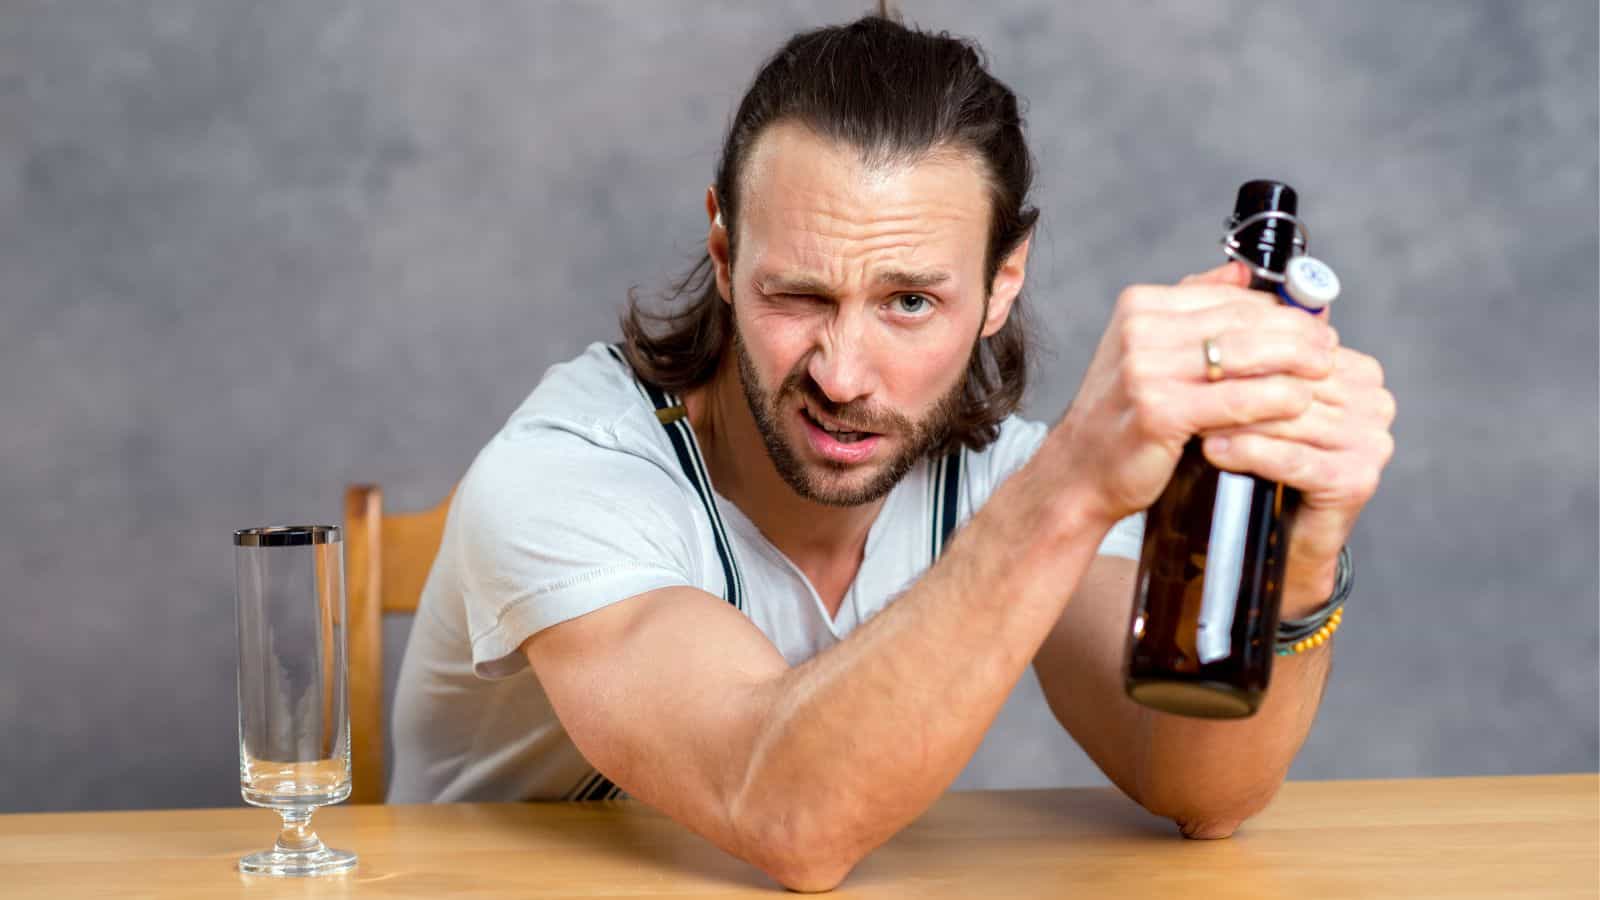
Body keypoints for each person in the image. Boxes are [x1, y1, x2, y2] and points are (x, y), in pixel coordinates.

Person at [390, 14, 1396, 892]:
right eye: (799, 296)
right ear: (725, 251)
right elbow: (787, 816)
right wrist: (1071, 488)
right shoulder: (567, 469)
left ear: (1004, 281)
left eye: (910, 302)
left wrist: (1301, 555)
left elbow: (1198, 786)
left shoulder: (1001, 478)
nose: (844, 373)